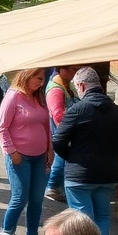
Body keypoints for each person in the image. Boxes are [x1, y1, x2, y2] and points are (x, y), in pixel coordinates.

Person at [52, 67, 118, 235]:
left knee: (82, 219)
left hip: (80, 175)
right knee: (102, 216)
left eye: (77, 88)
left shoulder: (78, 110)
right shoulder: (117, 112)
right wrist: (109, 154)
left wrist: (72, 157)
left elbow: (58, 140)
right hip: (107, 174)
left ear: (81, 85)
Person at [0, 68, 53, 235]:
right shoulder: (13, 96)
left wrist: (49, 149)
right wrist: (11, 151)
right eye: (38, 78)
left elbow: (46, 126)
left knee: (37, 198)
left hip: (40, 156)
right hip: (20, 156)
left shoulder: (39, 98)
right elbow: (2, 127)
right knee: (20, 197)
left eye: (42, 79)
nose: (41, 83)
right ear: (27, 77)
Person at [44, 66, 80, 203]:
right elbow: (58, 115)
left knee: (62, 160)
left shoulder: (68, 84)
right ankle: (52, 186)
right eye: (71, 69)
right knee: (60, 160)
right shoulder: (55, 89)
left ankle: (54, 186)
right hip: (61, 131)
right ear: (61, 70)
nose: (74, 72)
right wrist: (68, 132)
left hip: (68, 130)